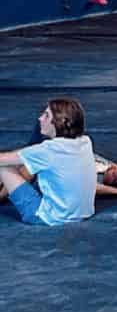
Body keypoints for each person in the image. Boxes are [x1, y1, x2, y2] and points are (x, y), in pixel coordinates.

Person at [0, 96, 97, 226]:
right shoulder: (86, 141)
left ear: (59, 121)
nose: (40, 118)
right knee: (22, 161)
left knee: (4, 166)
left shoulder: (48, 150)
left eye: (46, 116)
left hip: (47, 218)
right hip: (82, 214)